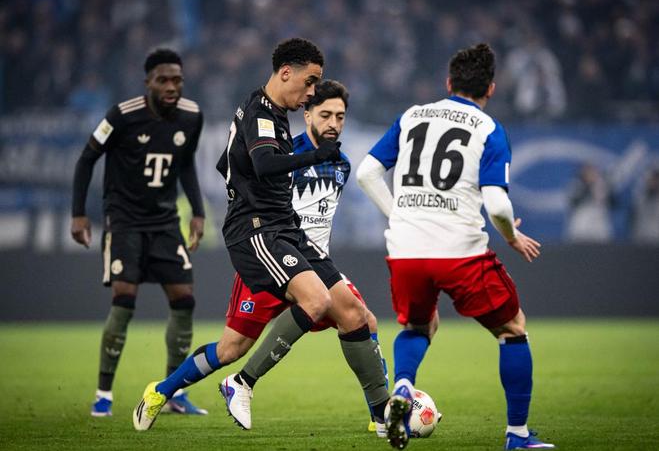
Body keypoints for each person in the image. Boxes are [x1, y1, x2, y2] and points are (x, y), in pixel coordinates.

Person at [132, 38, 389, 433]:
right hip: (259, 234)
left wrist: (240, 180)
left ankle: (383, 415)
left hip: (290, 236)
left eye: (339, 115)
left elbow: (227, 163)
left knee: (357, 316)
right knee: (232, 347)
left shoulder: (283, 121)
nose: (311, 93)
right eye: (309, 84)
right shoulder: (262, 113)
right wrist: (306, 160)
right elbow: (266, 164)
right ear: (286, 73)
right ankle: (198, 387)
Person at [357, 43, 555, 450]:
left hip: (406, 250)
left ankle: (403, 386)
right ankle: (518, 435)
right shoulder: (488, 129)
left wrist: (398, 215)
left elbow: (367, 172)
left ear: (448, 83)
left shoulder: (412, 116)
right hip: (459, 251)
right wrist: (511, 236)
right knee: (512, 329)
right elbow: (497, 204)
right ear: (491, 88)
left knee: (418, 326)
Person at [71, 48, 207, 417]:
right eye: (163, 80)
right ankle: (103, 394)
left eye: (177, 80)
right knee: (124, 297)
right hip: (125, 221)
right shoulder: (122, 115)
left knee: (185, 298)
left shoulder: (192, 116)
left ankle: (173, 392)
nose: (171, 87)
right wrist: (79, 214)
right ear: (148, 82)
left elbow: (186, 165)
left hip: (165, 223)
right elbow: (86, 158)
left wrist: (197, 212)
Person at [565, 163, 614, 242]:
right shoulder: (576, 184)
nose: (591, 174)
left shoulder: (602, 185)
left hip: (599, 221)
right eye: (587, 171)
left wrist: (605, 188)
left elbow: (613, 203)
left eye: (592, 171)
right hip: (581, 221)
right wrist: (588, 186)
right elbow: (573, 202)